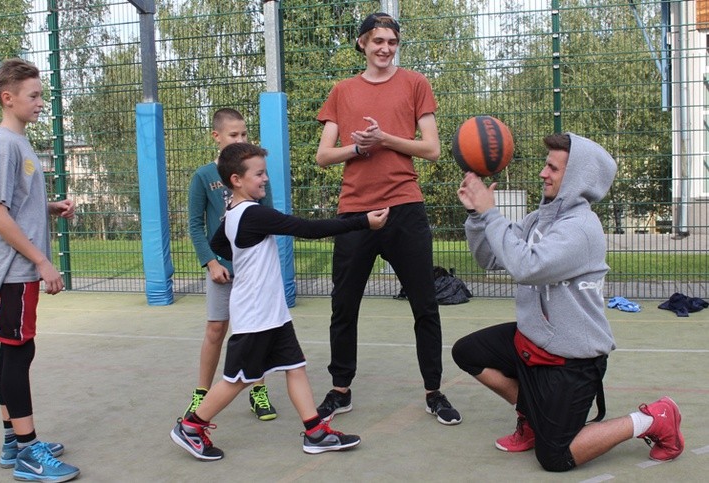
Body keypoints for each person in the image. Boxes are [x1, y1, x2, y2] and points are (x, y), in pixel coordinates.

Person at [452, 133, 684, 472]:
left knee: (555, 457)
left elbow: (527, 267)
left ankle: (652, 419)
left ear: (576, 177)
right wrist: (476, 215)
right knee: (468, 352)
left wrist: (492, 214)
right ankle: (533, 417)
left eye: (553, 168)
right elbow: (490, 258)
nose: (543, 173)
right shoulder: (539, 219)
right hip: (534, 340)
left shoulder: (581, 228)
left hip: (571, 360)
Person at [171, 142, 389, 460]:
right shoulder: (252, 215)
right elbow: (307, 228)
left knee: (295, 366)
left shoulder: (232, 214)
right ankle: (191, 426)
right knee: (237, 380)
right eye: (258, 174)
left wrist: (246, 261)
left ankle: (315, 433)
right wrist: (363, 222)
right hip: (255, 315)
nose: (265, 179)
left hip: (272, 314)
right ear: (236, 179)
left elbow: (220, 242)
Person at [314, 12, 460, 425]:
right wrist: (358, 150)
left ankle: (434, 392)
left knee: (425, 306)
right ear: (362, 43)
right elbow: (323, 156)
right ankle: (340, 390)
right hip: (355, 213)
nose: (385, 48)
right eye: (377, 41)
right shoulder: (342, 91)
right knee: (343, 306)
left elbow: (430, 149)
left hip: (405, 207)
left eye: (392, 42)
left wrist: (384, 139)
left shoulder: (415, 84)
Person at [0, 58, 80, 482]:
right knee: (18, 354)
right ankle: (26, 451)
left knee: (16, 350)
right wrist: (41, 261)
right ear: (9, 98)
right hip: (14, 271)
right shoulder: (4, 143)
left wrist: (48, 207)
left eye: (42, 94)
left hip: (15, 271)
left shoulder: (17, 143)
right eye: (34, 95)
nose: (42, 103)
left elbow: (16, 206)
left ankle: (12, 440)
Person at [183, 108, 277, 423]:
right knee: (215, 329)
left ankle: (258, 390)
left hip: (251, 271)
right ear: (217, 137)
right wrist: (211, 262)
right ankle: (200, 396)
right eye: (233, 135)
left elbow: (268, 215)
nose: (240, 139)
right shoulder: (203, 176)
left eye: (244, 134)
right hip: (221, 269)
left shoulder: (257, 174)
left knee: (254, 331)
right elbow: (195, 226)